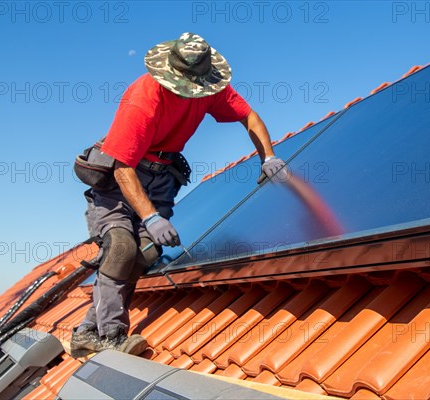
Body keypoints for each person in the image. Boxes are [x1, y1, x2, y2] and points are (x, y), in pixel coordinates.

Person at [69, 32, 287, 358]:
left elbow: (248, 116)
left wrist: (267, 156)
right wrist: (151, 217)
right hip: (120, 181)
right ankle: (111, 337)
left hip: (161, 178)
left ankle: (87, 331)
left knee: (142, 254)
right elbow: (122, 169)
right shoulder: (143, 99)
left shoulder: (207, 87)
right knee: (121, 247)